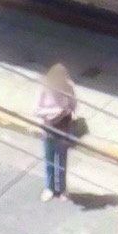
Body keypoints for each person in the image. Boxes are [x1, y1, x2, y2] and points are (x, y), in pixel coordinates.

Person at [33, 60, 78, 202]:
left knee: (62, 159)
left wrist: (67, 111)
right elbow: (36, 110)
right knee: (50, 159)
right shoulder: (43, 88)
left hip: (64, 126)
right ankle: (49, 188)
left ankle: (62, 189)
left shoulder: (68, 87)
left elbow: (73, 105)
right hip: (49, 127)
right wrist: (54, 112)